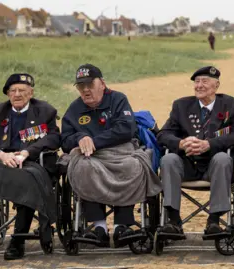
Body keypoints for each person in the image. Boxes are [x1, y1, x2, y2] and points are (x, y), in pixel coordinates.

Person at [60, 64, 162, 248]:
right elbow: (65, 140)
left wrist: (94, 141)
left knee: (132, 166)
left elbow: (126, 128)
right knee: (83, 168)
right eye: (81, 86)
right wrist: (80, 137)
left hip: (121, 151)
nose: (85, 90)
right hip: (90, 157)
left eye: (90, 84)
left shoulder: (118, 99)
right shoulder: (75, 109)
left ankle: (121, 226)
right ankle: (99, 227)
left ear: (102, 84)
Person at [0, 73, 60, 260]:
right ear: (8, 93)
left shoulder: (45, 111)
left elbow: (53, 138)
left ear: (31, 93)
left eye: (22, 91)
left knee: (30, 179)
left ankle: (18, 239)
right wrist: (1, 155)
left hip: (30, 164)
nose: (17, 94)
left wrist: (26, 153)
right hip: (2, 163)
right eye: (13, 91)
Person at [157, 66, 234, 236]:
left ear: (216, 85)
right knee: (168, 160)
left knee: (222, 159)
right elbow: (163, 134)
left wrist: (210, 144)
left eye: (205, 82)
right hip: (187, 164)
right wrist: (181, 143)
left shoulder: (231, 105)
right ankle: (174, 221)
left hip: (214, 167)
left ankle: (214, 221)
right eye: (197, 82)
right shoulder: (181, 105)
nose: (199, 86)